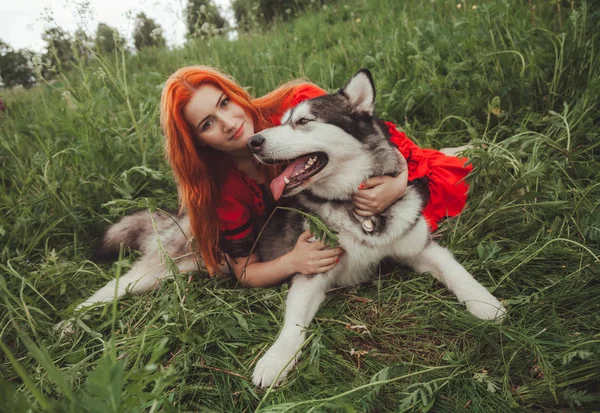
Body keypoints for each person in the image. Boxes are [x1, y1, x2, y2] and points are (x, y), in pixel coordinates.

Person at [160, 66, 472, 288]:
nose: (228, 123)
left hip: (362, 181)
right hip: (305, 219)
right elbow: (244, 271)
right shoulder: (223, 188)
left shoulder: (292, 108)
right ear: (197, 141)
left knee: (438, 167)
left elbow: (370, 136)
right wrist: (292, 263)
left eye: (225, 103)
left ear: (234, 94)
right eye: (207, 124)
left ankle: (460, 150)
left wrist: (399, 180)